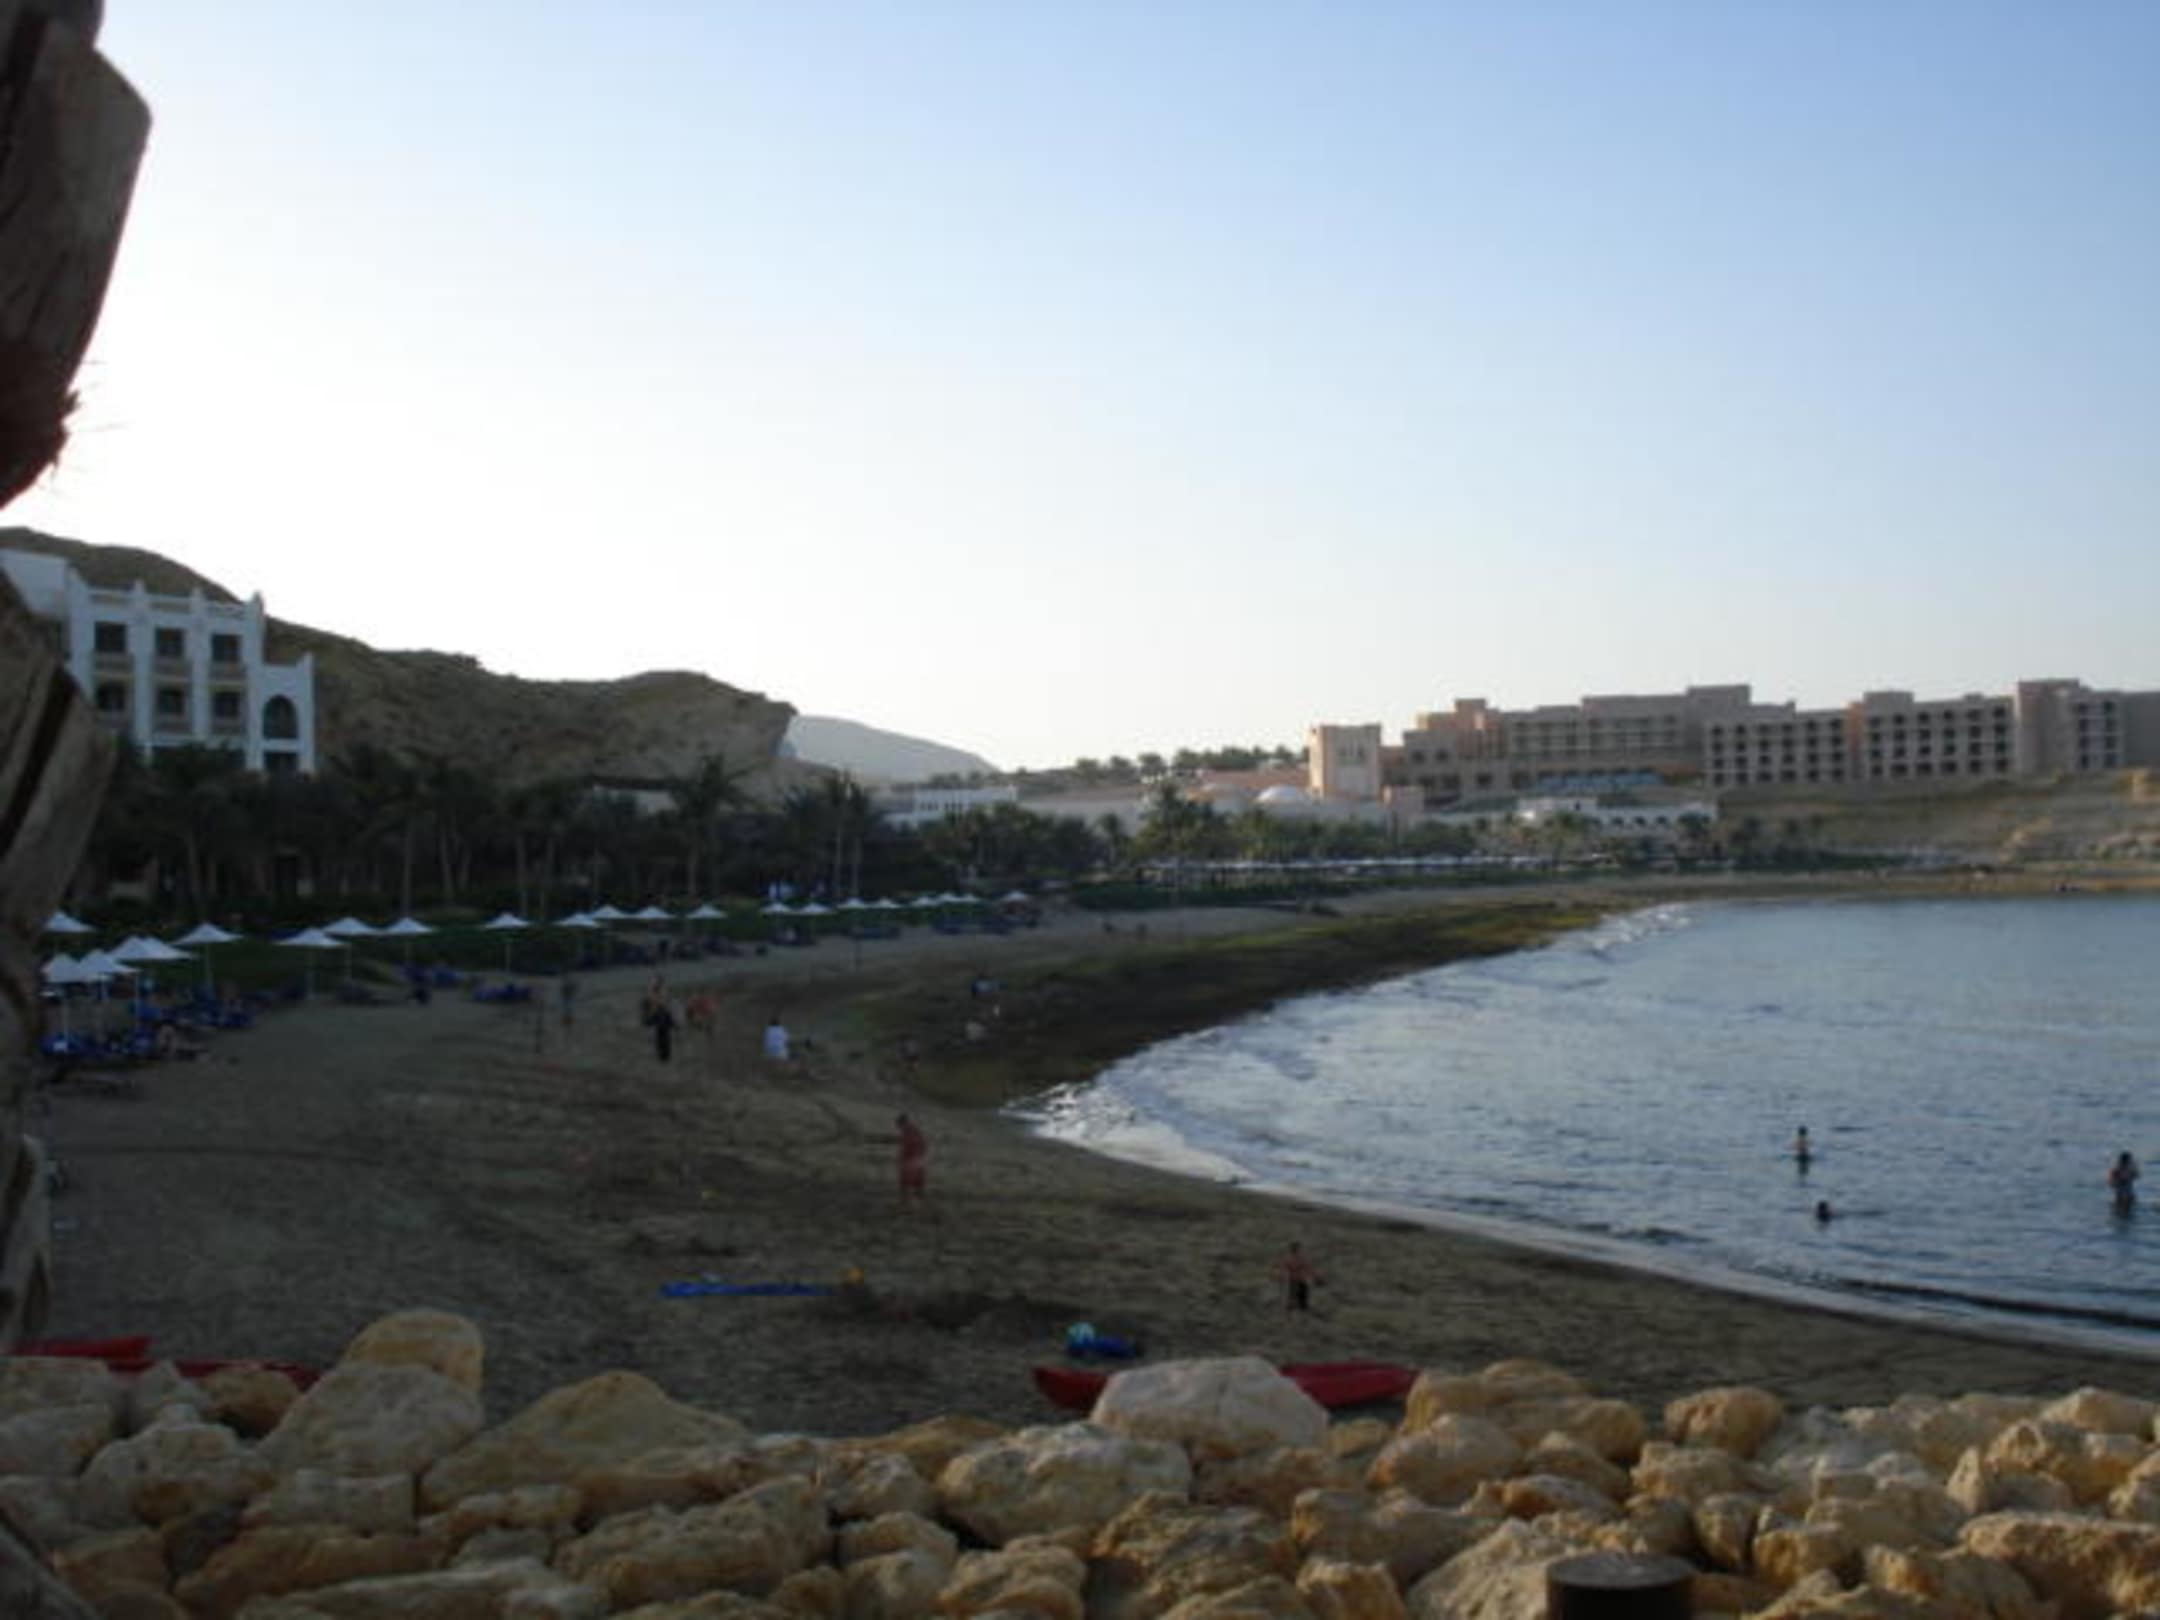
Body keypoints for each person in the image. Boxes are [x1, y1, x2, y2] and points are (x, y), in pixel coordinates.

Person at [1276, 1241, 1324, 1312]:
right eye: (1300, 1249)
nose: (1301, 1251)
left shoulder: (1301, 1259)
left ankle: (1299, 1309)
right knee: (1293, 1300)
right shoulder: (1290, 1259)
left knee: (1301, 1300)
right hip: (1294, 1281)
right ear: (1296, 1250)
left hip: (1300, 1281)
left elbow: (1309, 1268)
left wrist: (1316, 1276)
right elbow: (1283, 1269)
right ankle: (1292, 1309)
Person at [896, 1113, 928, 1205]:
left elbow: (907, 1147)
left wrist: (901, 1159)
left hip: (910, 1159)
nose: (899, 1128)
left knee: (905, 1183)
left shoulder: (907, 1132)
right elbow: (924, 1144)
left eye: (899, 1126)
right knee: (918, 1183)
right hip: (919, 1159)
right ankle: (920, 1202)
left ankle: (906, 1203)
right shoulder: (916, 1130)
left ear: (902, 1123)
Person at [650, 995, 676, 1063]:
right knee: (663, 1043)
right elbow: (671, 1021)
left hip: (662, 1030)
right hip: (662, 1030)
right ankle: (664, 1056)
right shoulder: (662, 1013)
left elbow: (651, 1021)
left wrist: (673, 1025)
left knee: (663, 1043)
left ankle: (664, 1056)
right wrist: (674, 1026)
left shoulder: (663, 1013)